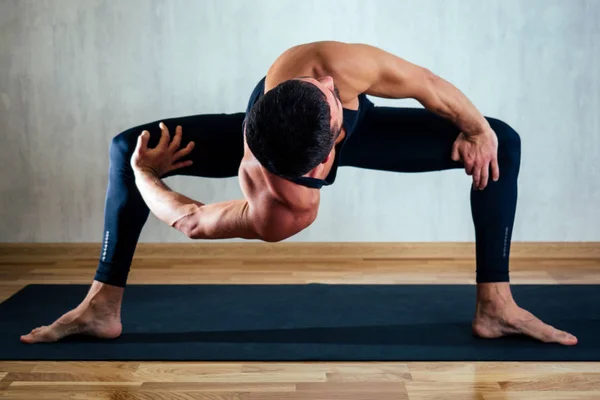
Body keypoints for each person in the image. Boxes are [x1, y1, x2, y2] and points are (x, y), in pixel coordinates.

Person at [21, 41, 577, 345]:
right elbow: (190, 220)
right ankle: (100, 309)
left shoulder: (321, 66)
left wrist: (477, 130)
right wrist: (146, 175)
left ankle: (496, 307)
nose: (331, 84)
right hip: (288, 159)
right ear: (331, 147)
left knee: (500, 138)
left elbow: (429, 86)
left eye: (327, 89)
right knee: (128, 149)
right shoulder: (285, 205)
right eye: (329, 96)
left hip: (315, 134)